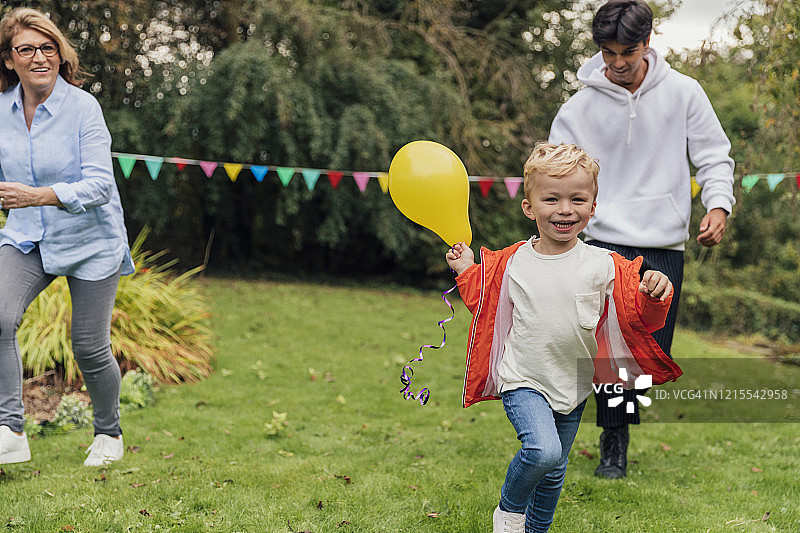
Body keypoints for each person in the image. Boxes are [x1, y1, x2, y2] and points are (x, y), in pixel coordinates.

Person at [447, 142, 681, 533]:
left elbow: (640, 317)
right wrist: (468, 269)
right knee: (543, 451)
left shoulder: (604, 265)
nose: (565, 209)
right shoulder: (513, 261)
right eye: (551, 199)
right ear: (529, 207)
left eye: (577, 199)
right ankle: (508, 514)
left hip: (573, 383)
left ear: (593, 207)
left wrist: (657, 292)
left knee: (555, 471)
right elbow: (486, 302)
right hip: (522, 377)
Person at [548, 0, 736, 479]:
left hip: (662, 243)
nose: (616, 63)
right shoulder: (578, 108)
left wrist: (718, 205)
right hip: (602, 243)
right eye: (607, 52)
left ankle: (615, 426)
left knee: (648, 350)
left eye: (627, 51)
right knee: (608, 347)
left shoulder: (685, 94)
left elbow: (714, 155)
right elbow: (557, 172)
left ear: (648, 42)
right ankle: (611, 444)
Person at [0, 7, 134, 467]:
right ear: (9, 59)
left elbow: (100, 186)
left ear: (60, 53)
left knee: (88, 347)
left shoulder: (84, 108)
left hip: (89, 241)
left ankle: (108, 433)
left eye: (48, 47)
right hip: (27, 238)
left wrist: (38, 195)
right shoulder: (1, 112)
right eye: (26, 49)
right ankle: (11, 429)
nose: (39, 57)